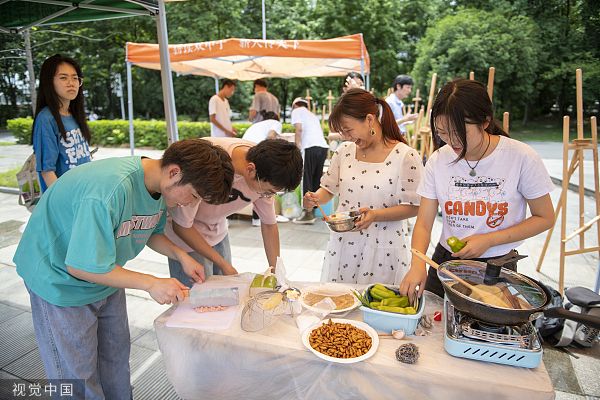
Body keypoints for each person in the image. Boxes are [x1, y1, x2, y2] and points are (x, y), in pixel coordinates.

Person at [13, 139, 234, 400]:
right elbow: (80, 266)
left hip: (105, 274)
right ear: (175, 172)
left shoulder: (159, 188)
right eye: (194, 196)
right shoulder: (109, 190)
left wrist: (180, 255)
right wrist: (151, 283)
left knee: (116, 360)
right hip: (59, 280)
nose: (189, 204)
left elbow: (149, 230)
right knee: (77, 376)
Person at [399, 79, 555, 300]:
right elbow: (424, 223)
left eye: (459, 132)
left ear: (485, 121)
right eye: (442, 132)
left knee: (488, 320)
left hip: (497, 265)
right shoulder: (438, 160)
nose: (451, 141)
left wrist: (489, 240)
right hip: (447, 260)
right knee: (433, 318)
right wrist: (417, 263)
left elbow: (545, 217)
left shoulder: (521, 157)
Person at [303, 88, 423, 284]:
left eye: (348, 130)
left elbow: (415, 207)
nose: (346, 137)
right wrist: (314, 198)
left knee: (377, 300)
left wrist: (376, 215)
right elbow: (328, 189)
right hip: (345, 245)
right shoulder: (344, 151)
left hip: (384, 249)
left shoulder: (405, 156)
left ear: (369, 120)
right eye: (342, 132)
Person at [165, 138, 302, 282]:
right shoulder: (209, 165)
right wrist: (223, 264)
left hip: (217, 231)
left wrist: (276, 272)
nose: (267, 196)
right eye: (268, 192)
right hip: (186, 237)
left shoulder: (267, 168)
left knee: (226, 289)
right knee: (196, 292)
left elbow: (269, 224)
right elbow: (181, 227)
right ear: (250, 170)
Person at [31, 54, 92, 192]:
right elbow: (47, 171)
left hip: (83, 192)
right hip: (65, 198)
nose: (71, 83)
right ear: (49, 82)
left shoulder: (75, 115)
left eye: (75, 78)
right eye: (63, 78)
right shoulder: (46, 119)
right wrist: (65, 200)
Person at [291, 97, 330, 224]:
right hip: (322, 147)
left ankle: (307, 213)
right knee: (316, 179)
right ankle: (313, 211)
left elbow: (298, 129)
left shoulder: (297, 111)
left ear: (295, 105)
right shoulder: (312, 115)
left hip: (310, 147)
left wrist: (296, 148)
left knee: (306, 178)